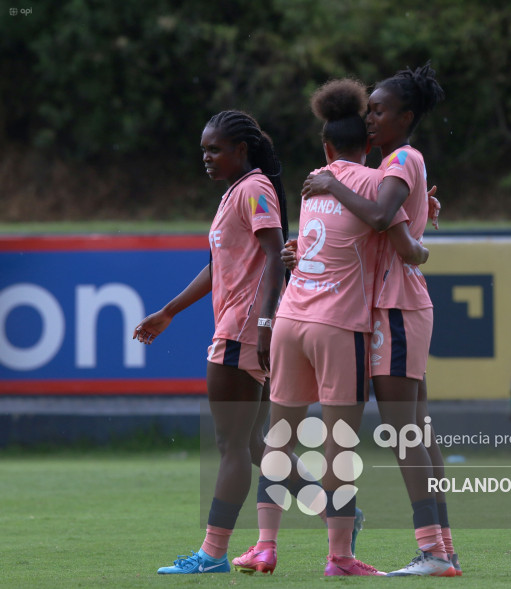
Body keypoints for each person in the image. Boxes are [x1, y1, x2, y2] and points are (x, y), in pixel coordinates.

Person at [247, 77, 429, 577]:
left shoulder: (312, 182)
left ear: (326, 146)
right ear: (367, 145)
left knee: (279, 436)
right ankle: (339, 557)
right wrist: (421, 229)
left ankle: (264, 547)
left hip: (290, 319)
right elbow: (393, 234)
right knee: (338, 445)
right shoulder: (375, 184)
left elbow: (314, 245)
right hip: (339, 325)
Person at [301, 63, 460, 577]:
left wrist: (331, 184)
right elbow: (385, 223)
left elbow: (378, 216)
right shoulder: (399, 163)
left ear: (405, 117)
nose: (369, 117)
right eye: (368, 110)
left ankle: (433, 552)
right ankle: (443, 549)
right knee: (418, 431)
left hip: (395, 306)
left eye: (379, 110)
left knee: (404, 433)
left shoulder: (401, 159)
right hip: (401, 303)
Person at [134, 110, 293, 575]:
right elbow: (219, 266)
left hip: (243, 329)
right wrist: (169, 310)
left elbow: (275, 255)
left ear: (241, 150)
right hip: (245, 326)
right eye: (203, 149)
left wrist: (264, 322)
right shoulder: (236, 191)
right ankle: (339, 510)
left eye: (215, 149)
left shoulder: (255, 189)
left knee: (231, 444)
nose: (206, 157)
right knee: (253, 444)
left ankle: (212, 553)